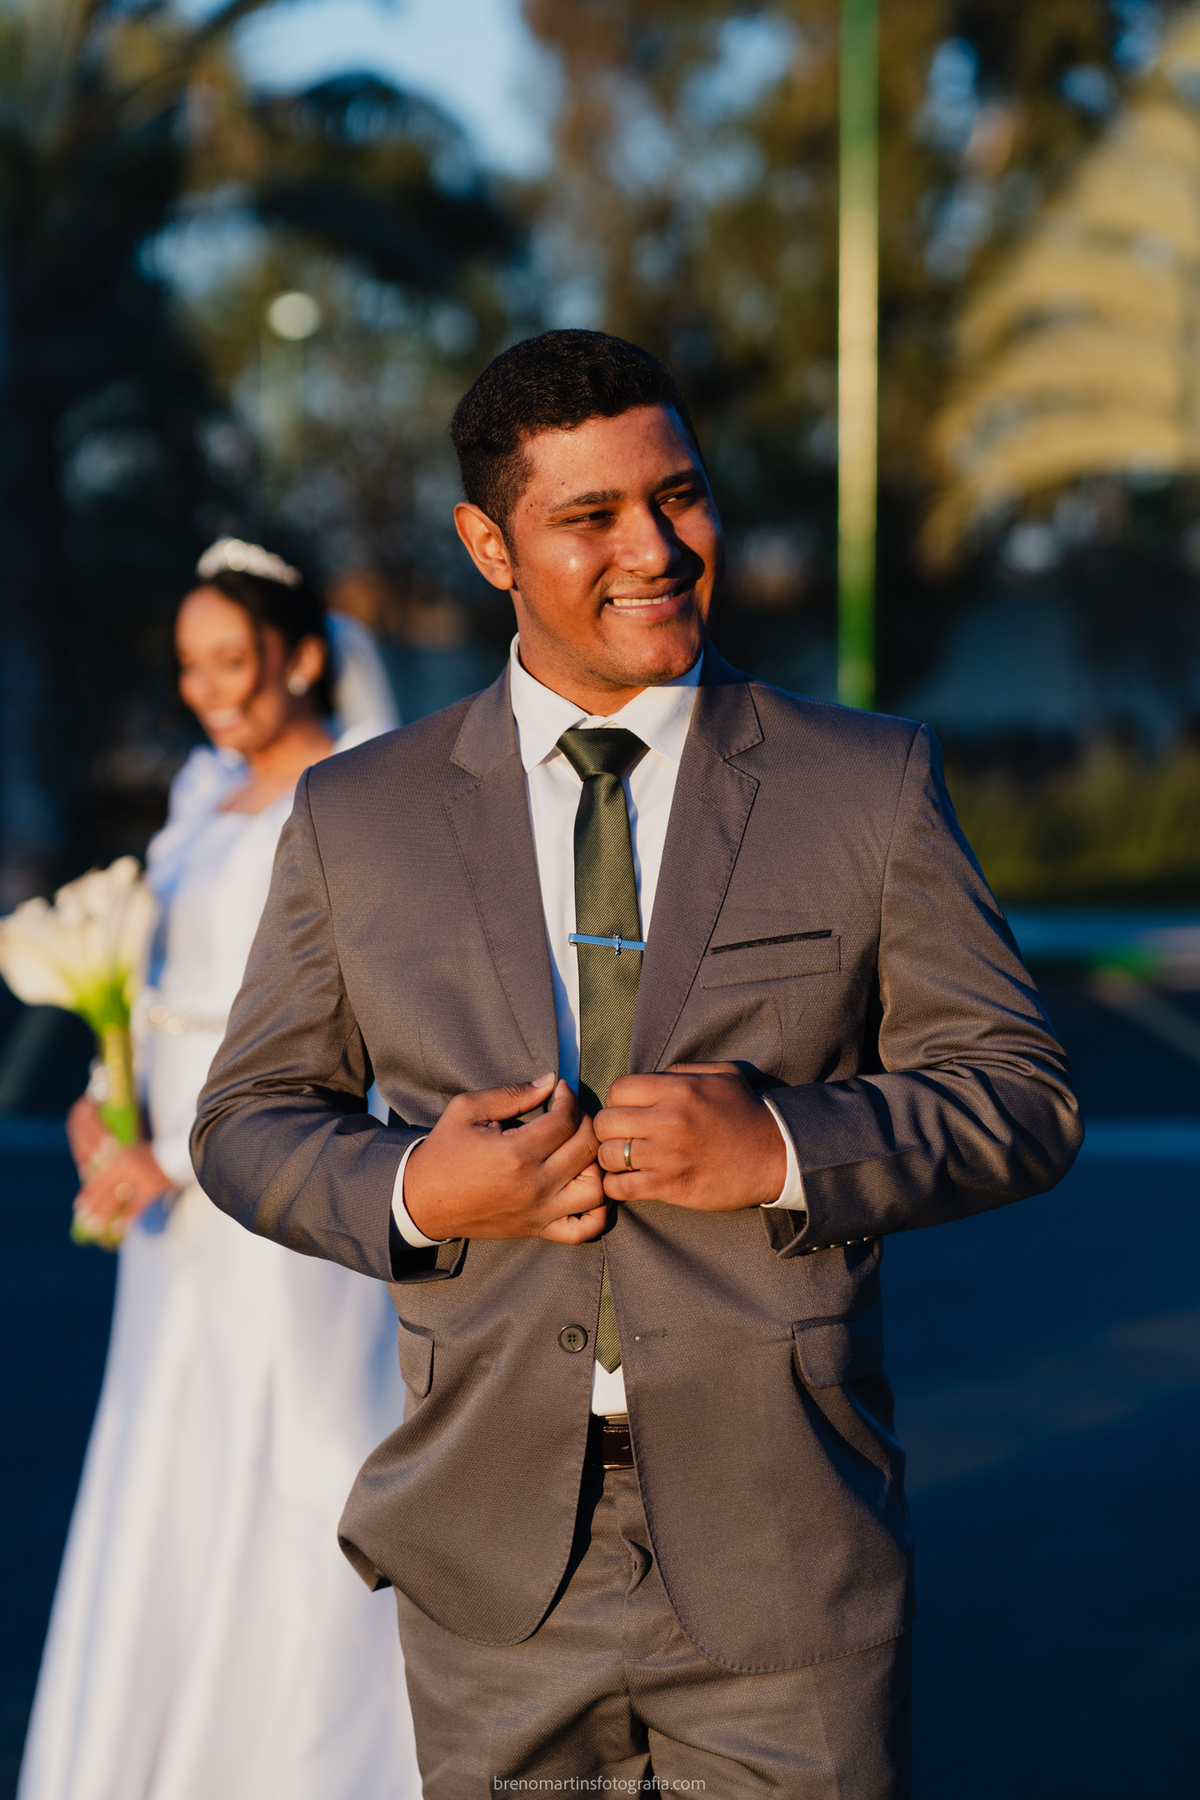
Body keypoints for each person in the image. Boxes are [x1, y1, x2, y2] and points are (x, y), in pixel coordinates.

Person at [192, 333, 1083, 1799]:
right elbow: (245, 1122)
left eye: (679, 496)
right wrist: (419, 1183)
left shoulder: (867, 784)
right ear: (489, 543)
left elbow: (1021, 1094)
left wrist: (786, 1150)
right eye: (591, 516)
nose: (657, 549)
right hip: (489, 1565)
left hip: (787, 1557)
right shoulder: (359, 815)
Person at [19, 541, 421, 1800]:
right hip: (162, 1209)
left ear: (304, 656)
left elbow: (366, 1038)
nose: (210, 690)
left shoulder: (355, 802)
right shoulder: (202, 793)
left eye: (233, 660)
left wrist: (186, 1165)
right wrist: (100, 1110)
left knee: (303, 1456)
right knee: (168, 1464)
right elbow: (154, 999)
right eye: (191, 666)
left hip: (278, 1195)